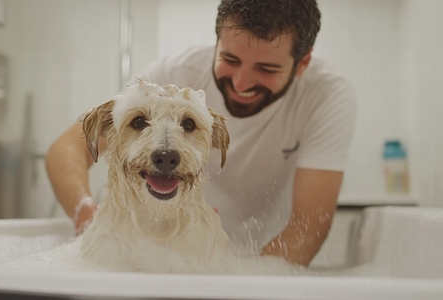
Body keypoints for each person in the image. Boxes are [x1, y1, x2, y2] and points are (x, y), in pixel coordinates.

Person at [45, 0, 356, 266]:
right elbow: (66, 149)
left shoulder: (327, 95)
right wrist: (85, 212)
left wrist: (248, 283)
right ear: (217, 40)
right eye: (229, 59)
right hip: (156, 257)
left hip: (260, 259)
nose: (241, 83)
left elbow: (309, 224)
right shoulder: (173, 76)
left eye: (266, 69)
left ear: (302, 63)